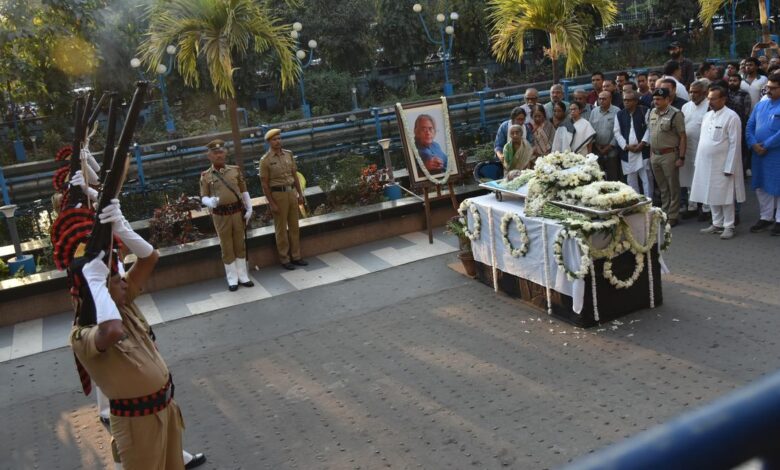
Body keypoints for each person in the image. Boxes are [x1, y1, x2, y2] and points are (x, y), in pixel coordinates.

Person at [70, 201, 185, 469]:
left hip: (165, 409)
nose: (124, 280)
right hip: (137, 423)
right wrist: (97, 284)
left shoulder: (124, 302)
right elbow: (111, 331)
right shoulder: (82, 334)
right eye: (114, 278)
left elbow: (150, 258)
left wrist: (122, 226)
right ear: (96, 288)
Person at [690, 86, 746, 240]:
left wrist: (730, 166)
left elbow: (735, 144)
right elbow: (702, 140)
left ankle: (729, 226)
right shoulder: (707, 115)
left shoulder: (731, 117)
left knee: (725, 196)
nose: (710, 101)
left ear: (723, 99)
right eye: (709, 98)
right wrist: (698, 161)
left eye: (713, 98)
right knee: (711, 194)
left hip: (723, 165)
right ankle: (716, 223)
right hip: (706, 163)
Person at [199, 139, 254, 291]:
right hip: (220, 215)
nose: (219, 155)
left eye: (221, 152)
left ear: (226, 153)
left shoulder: (235, 170)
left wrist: (249, 208)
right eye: (215, 153)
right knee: (227, 246)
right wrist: (209, 201)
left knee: (239, 243)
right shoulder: (206, 176)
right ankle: (232, 279)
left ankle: (243, 276)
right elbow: (202, 196)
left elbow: (244, 191)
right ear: (209, 156)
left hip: (237, 212)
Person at [260, 129, 309, 269]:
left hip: (291, 192)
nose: (278, 141)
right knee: (281, 229)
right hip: (278, 195)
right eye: (274, 139)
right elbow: (264, 184)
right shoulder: (265, 160)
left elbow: (295, 176)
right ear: (269, 142)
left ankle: (296, 256)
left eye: (279, 138)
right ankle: (285, 259)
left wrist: (300, 194)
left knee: (294, 227)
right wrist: (271, 203)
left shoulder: (289, 154)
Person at [644, 87, 687, 226]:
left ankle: (673, 215)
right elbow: (652, 134)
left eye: (659, 99)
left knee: (672, 186)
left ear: (667, 100)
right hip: (655, 154)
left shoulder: (676, 114)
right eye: (654, 99)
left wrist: (681, 157)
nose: (655, 101)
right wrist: (651, 153)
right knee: (662, 187)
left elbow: (682, 136)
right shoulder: (652, 112)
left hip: (669, 154)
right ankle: (665, 212)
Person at [746, 73, 780, 235]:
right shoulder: (761, 105)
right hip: (759, 154)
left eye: (773, 88)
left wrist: (766, 145)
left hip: (775, 153)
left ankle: (779, 220)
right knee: (761, 186)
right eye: (768, 88)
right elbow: (750, 125)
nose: (769, 91)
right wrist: (753, 143)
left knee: (778, 186)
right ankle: (766, 217)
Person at [680, 79, 711, 218]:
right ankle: (692, 206)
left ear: (704, 93)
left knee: (703, 179)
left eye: (696, 92)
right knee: (689, 179)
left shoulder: (710, 106)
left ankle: (706, 208)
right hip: (688, 148)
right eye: (690, 92)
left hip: (703, 149)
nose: (692, 95)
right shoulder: (686, 106)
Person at [614, 90, 653, 197]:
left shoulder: (645, 111)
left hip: (642, 151)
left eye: (629, 100)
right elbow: (616, 132)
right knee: (631, 180)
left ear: (636, 101)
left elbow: (649, 129)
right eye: (624, 100)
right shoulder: (620, 114)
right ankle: (636, 203)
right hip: (627, 152)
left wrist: (643, 143)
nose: (626, 102)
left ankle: (649, 202)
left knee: (647, 179)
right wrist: (626, 146)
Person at [590, 90, 621, 180]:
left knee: (612, 176)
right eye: (600, 99)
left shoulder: (617, 111)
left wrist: (609, 147)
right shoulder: (594, 112)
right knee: (599, 176)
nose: (601, 101)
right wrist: (597, 145)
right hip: (597, 149)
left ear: (610, 99)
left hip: (612, 149)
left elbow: (618, 132)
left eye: (604, 99)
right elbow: (591, 130)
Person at [727, 74, 753, 174]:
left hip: (740, 125)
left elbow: (746, 111)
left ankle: (742, 171)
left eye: (735, 80)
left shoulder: (744, 94)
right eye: (730, 80)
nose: (732, 82)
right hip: (727, 125)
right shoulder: (725, 93)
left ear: (740, 82)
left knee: (741, 148)